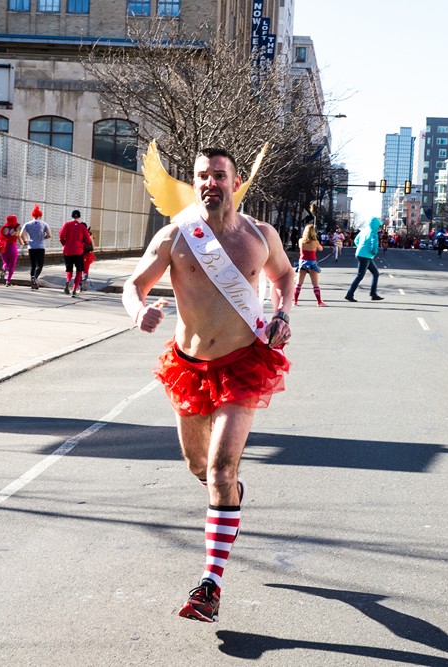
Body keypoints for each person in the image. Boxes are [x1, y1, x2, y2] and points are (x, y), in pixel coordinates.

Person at [122, 147, 294, 624]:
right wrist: (139, 311)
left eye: (219, 175)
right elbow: (134, 285)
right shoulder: (176, 235)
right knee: (198, 465)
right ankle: (229, 496)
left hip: (243, 364)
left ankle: (210, 586)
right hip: (189, 367)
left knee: (219, 469)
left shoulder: (260, 235)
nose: (209, 183)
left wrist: (282, 313)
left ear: (236, 182)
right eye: (202, 176)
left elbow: (283, 275)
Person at [345, 217, 384, 302]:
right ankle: (349, 294)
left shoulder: (364, 230)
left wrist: (361, 247)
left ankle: (373, 294)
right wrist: (374, 252)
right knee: (360, 275)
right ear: (376, 225)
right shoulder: (373, 232)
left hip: (362, 254)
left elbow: (356, 240)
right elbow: (374, 244)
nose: (379, 227)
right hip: (366, 255)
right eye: (379, 225)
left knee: (376, 273)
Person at [59, 209, 91, 296]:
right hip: (78, 251)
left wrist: (64, 243)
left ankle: (68, 281)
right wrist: (83, 246)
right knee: (79, 270)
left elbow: (61, 235)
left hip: (67, 250)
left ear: (72, 216)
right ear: (79, 216)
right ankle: (74, 290)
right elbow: (88, 240)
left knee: (69, 269)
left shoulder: (67, 224)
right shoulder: (82, 227)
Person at [294, 222, 327, 306]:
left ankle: (295, 301)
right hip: (312, 262)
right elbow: (321, 249)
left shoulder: (301, 241)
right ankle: (319, 302)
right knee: (315, 284)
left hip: (302, 262)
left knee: (298, 283)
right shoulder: (315, 242)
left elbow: (300, 248)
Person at [20, 204, 51, 290]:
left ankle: (33, 281)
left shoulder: (27, 224)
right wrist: (43, 237)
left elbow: (21, 234)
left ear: (32, 215)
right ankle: (35, 277)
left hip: (31, 247)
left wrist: (25, 241)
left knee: (33, 265)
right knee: (39, 265)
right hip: (40, 247)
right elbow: (49, 235)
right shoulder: (44, 224)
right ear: (40, 215)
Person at [0, 215, 22, 286]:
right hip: (12, 248)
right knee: (12, 266)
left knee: (5, 263)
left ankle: (3, 269)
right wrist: (24, 242)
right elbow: (21, 241)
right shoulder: (15, 230)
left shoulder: (4, 229)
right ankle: (8, 281)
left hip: (4, 248)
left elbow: (0, 237)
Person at [81, 218, 96, 290]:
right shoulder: (89, 234)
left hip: (79, 254)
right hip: (88, 255)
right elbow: (93, 247)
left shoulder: (77, 234)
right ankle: (84, 281)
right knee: (86, 269)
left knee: (79, 268)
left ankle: (79, 282)